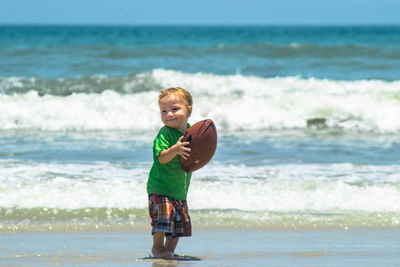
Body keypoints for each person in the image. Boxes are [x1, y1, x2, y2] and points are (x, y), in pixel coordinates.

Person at [147, 87, 193, 260]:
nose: (169, 114)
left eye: (175, 109)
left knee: (179, 224)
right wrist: (175, 149)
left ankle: (169, 249)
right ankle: (157, 248)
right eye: (164, 111)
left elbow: (197, 155)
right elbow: (162, 158)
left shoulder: (192, 132)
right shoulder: (165, 133)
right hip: (160, 186)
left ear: (188, 111)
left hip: (179, 189)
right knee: (163, 218)